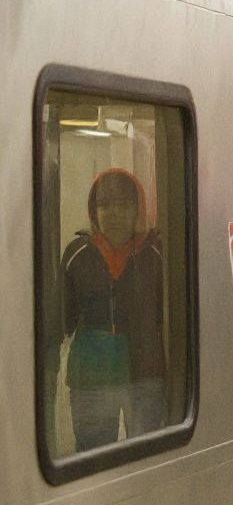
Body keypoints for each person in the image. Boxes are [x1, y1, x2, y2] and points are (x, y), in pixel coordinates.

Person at [60, 168, 166, 451]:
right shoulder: (77, 254)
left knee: (147, 456)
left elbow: (167, 318)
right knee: (93, 456)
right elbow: (62, 321)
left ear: (138, 209)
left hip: (144, 374)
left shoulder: (156, 254)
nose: (114, 213)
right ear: (94, 211)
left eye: (124, 204)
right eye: (104, 204)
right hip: (91, 375)